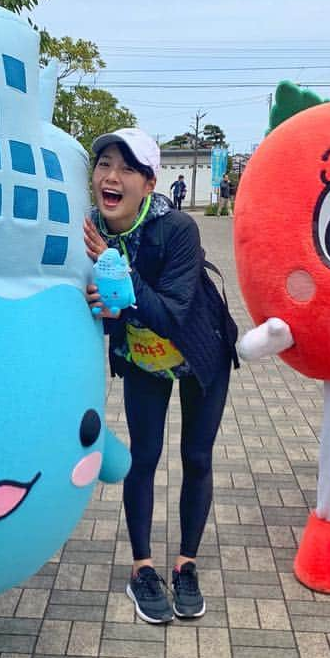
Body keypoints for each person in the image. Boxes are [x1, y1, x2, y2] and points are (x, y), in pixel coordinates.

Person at [83, 128, 238, 624]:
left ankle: (186, 564)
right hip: (145, 358)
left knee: (196, 455)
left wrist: (115, 281)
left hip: (199, 350)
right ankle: (142, 569)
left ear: (149, 184)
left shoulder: (177, 230)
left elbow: (172, 312)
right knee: (142, 457)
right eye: (104, 163)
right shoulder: (89, 227)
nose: (112, 176)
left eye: (128, 168)